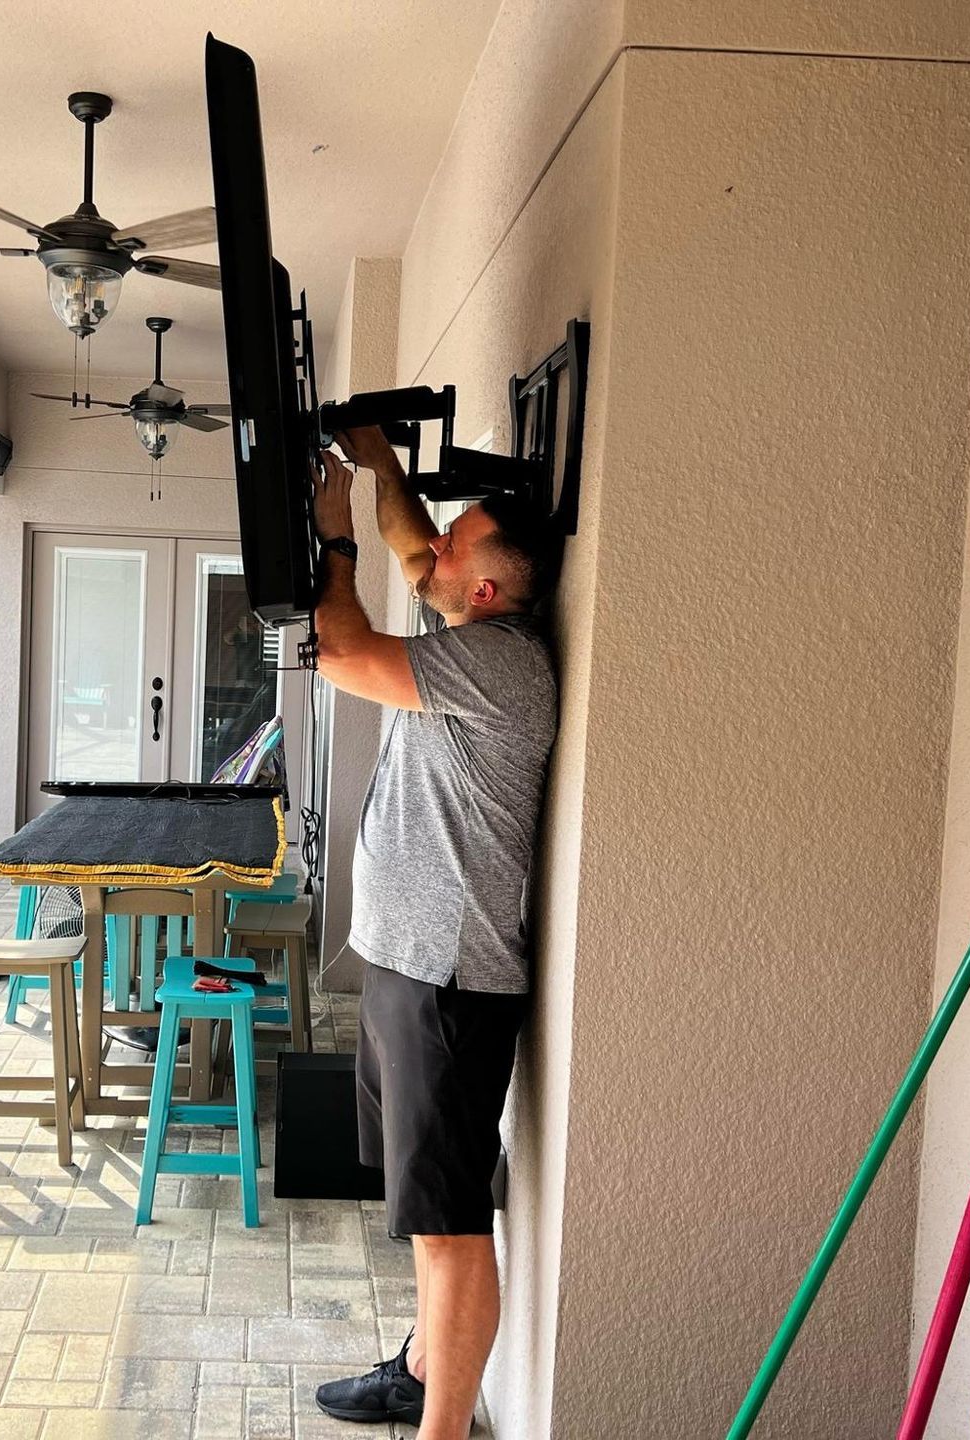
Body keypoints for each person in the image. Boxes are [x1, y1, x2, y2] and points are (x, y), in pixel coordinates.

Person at [308, 427, 560, 1437]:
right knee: (424, 1207)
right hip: (406, 963)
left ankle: (443, 1429)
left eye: (460, 546)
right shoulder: (470, 625)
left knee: (452, 1225)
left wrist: (332, 544)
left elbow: (341, 652)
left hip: (450, 984)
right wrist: (380, 468)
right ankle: (421, 1365)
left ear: (488, 592)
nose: (437, 551)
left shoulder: (498, 664)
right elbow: (413, 546)